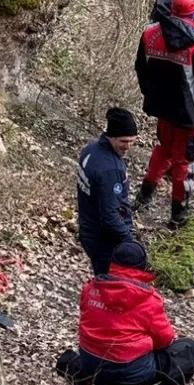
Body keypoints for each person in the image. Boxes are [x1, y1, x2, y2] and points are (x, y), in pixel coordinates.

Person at [77, 241, 194, 385]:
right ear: (142, 267)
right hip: (126, 374)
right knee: (193, 350)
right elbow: (165, 341)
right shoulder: (147, 298)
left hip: (90, 366)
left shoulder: (90, 288)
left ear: (112, 262)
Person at [134, 0, 194, 228]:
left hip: (162, 108)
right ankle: (178, 215)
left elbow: (141, 69)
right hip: (189, 115)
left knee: (164, 150)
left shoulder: (149, 33)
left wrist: (149, 94)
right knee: (184, 161)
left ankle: (144, 196)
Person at [77, 108, 138, 275]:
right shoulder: (111, 169)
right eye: (124, 141)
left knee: (103, 278)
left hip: (87, 228)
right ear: (111, 136)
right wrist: (129, 241)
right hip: (104, 239)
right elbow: (110, 217)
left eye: (132, 141)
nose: (128, 147)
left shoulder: (91, 150)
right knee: (110, 286)